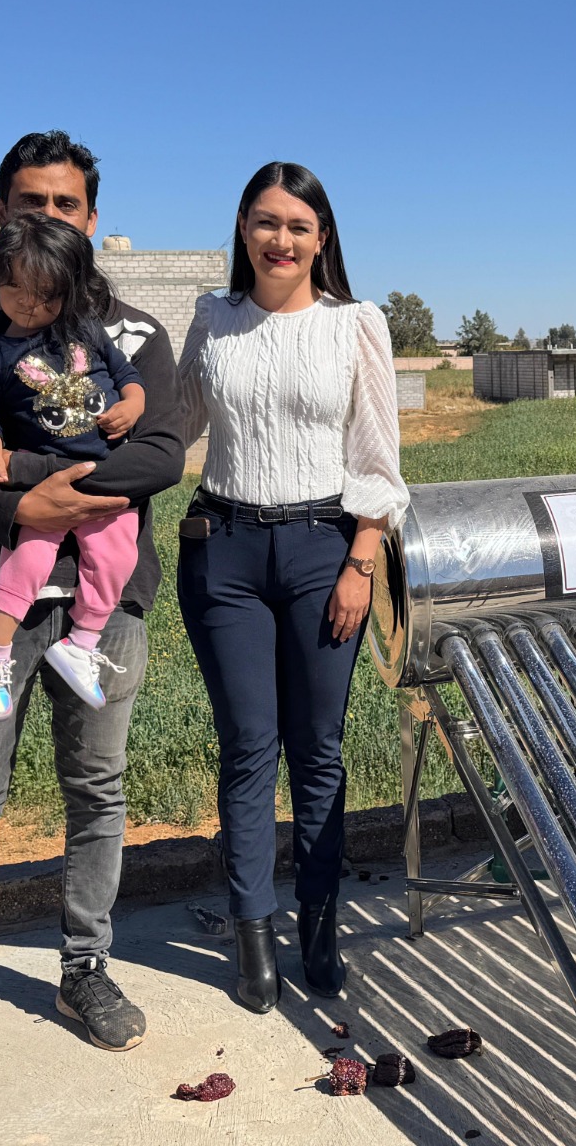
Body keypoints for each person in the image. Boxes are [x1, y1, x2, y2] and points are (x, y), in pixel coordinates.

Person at [0, 131, 184, 1101]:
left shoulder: (130, 332)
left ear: (91, 221)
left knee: (97, 789)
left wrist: (52, 491)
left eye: (64, 206)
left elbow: (163, 451)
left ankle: (85, 970)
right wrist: (12, 511)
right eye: (27, 202)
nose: (45, 219)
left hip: (105, 599)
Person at [177, 161, 408, 1013]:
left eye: (299, 226)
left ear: (322, 238)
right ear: (243, 228)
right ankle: (253, 938)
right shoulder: (213, 319)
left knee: (318, 753)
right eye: (266, 222)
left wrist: (362, 560)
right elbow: (178, 421)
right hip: (225, 552)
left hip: (323, 553)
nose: (281, 240)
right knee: (247, 750)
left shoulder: (357, 325)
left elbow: (376, 457)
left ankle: (319, 927)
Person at [0, 214, 146, 720]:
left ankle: (81, 644)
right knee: (26, 561)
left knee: (116, 558)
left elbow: (126, 374)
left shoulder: (87, 332)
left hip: (101, 478)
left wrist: (133, 403)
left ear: (69, 291)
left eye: (46, 293)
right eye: (16, 287)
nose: (30, 302)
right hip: (40, 481)